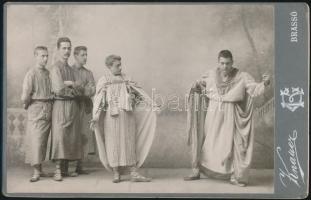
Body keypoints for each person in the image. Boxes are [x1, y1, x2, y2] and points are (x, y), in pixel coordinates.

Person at [184, 50, 270, 186]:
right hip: (213, 112)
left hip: (230, 113)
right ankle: (198, 169)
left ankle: (234, 175)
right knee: (209, 142)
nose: (225, 66)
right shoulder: (211, 74)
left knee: (228, 143)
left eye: (228, 63)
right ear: (218, 62)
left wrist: (264, 84)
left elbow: (253, 89)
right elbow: (199, 84)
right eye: (222, 63)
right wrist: (195, 86)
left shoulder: (242, 76)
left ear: (232, 62)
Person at [90, 55, 158, 183]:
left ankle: (133, 172)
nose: (120, 67)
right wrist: (95, 116)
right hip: (112, 118)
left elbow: (140, 94)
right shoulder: (104, 80)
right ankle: (116, 172)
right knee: (113, 143)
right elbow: (99, 100)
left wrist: (151, 104)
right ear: (109, 67)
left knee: (129, 142)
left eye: (121, 64)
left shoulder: (127, 78)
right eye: (117, 65)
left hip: (127, 117)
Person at [49, 37, 83, 181]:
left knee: (71, 136)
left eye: (69, 48)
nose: (67, 51)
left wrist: (72, 85)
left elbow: (81, 89)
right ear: (58, 49)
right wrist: (73, 86)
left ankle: (66, 169)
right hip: (60, 105)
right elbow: (58, 89)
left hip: (73, 107)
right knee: (60, 135)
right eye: (64, 48)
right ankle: (57, 170)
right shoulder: (55, 68)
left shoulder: (72, 69)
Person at [21, 46, 53, 182]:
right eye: (42, 56)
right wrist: (27, 104)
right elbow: (25, 95)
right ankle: (35, 171)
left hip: (48, 107)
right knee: (36, 140)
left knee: (43, 141)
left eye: (46, 56)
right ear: (36, 56)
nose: (45, 58)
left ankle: (40, 169)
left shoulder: (47, 73)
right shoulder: (31, 73)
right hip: (36, 107)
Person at [70, 46, 96, 176]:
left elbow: (92, 90)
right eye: (82, 55)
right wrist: (80, 89)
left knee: (84, 134)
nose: (85, 57)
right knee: (72, 134)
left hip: (85, 106)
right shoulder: (68, 71)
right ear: (75, 56)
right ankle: (70, 167)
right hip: (72, 106)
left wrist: (77, 88)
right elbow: (69, 91)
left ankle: (79, 166)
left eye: (86, 54)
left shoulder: (88, 73)